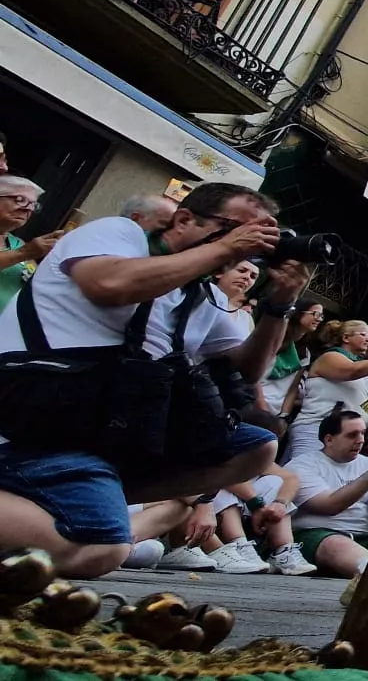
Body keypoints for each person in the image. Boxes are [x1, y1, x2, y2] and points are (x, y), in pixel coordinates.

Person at [0, 182, 305, 578]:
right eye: (236, 228)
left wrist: (281, 303)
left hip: (99, 427)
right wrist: (226, 247)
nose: (246, 244)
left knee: (257, 447)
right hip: (32, 412)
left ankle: (84, 495)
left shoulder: (200, 295)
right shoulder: (119, 234)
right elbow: (110, 285)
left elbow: (249, 370)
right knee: (104, 548)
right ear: (184, 219)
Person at [289, 409, 368, 581]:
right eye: (352, 435)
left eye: (362, 433)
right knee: (336, 543)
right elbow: (329, 505)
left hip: (363, 537)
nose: (360, 441)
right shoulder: (302, 466)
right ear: (329, 439)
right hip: (316, 535)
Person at [290, 321, 368, 461]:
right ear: (346, 338)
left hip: (352, 439)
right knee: (304, 474)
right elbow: (352, 372)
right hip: (317, 429)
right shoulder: (330, 357)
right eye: (363, 334)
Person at [0, 174, 60, 312]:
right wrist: (25, 252)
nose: (28, 209)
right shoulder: (23, 250)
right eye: (19, 200)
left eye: (33, 204)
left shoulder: (18, 244)